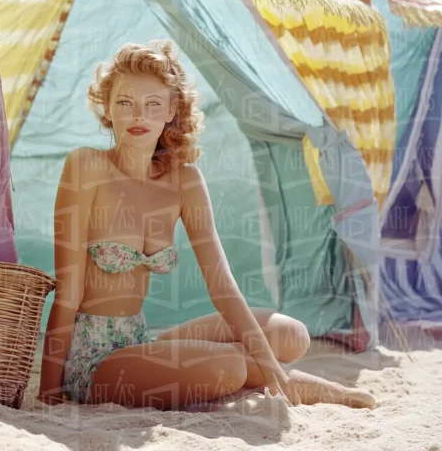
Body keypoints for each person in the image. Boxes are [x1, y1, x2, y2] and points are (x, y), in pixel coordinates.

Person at [37, 40, 376, 410]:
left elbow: (222, 285)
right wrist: (49, 389)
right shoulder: (86, 167)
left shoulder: (185, 181)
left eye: (153, 104)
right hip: (93, 360)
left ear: (171, 110)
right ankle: (316, 390)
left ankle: (310, 386)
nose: (139, 115)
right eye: (125, 102)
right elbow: (67, 292)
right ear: (108, 107)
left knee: (290, 335)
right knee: (228, 367)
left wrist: (261, 352)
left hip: (138, 340)